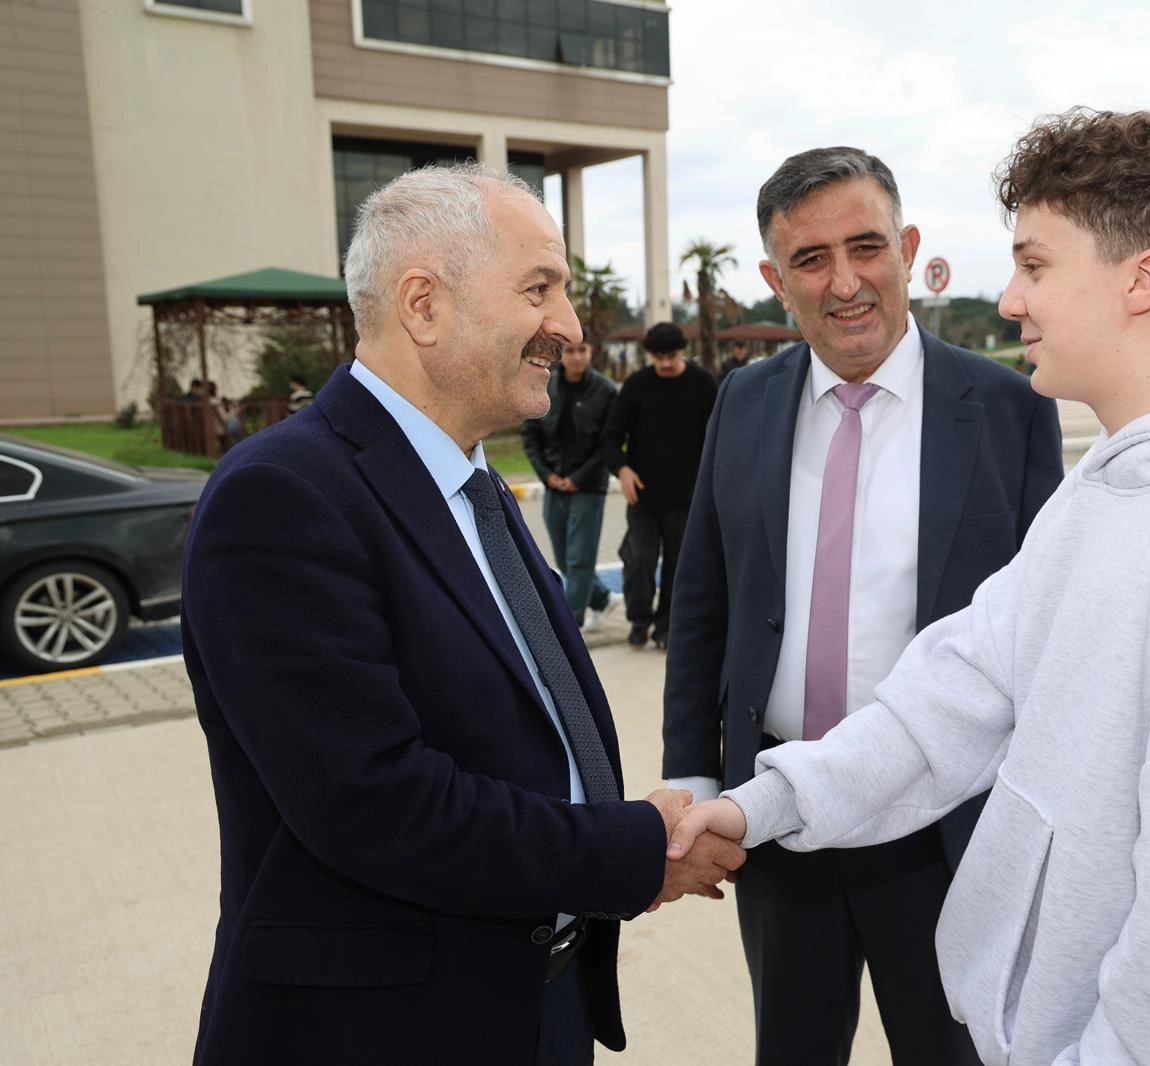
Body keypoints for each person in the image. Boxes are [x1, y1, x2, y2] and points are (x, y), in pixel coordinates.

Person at [673, 110, 1150, 1065]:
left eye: (1035, 266)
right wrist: (761, 804)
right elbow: (954, 695)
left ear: (1142, 280)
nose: (1009, 301)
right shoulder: (1103, 495)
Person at [180, 163, 743, 1066]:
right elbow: (378, 805)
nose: (570, 326)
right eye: (539, 289)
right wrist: (633, 847)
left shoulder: (470, 480)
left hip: (537, 1003)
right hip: (386, 1032)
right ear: (423, 305)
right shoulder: (281, 497)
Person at [663, 146, 1064, 1066]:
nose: (844, 283)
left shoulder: (1007, 410)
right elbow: (703, 602)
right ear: (776, 281)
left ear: (908, 248)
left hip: (944, 826)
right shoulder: (743, 402)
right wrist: (695, 779)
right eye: (811, 260)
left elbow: (1046, 637)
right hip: (776, 817)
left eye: (866, 247)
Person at [602, 321, 718, 650]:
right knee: (640, 558)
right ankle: (639, 620)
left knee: (678, 565)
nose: (665, 363)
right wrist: (622, 469)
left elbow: (720, 434)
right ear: (650, 355)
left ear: (682, 352)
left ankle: (667, 626)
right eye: (658, 357)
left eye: (671, 356)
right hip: (643, 495)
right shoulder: (637, 386)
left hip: (688, 496)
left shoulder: (702, 384)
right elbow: (611, 437)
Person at [521, 340, 621, 630]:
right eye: (571, 351)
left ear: (590, 352)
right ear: (562, 354)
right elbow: (531, 435)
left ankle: (569, 628)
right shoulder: (546, 384)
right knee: (566, 559)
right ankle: (602, 599)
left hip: (588, 487)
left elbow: (607, 443)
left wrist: (578, 479)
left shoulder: (604, 390)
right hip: (554, 485)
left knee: (579, 560)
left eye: (582, 350)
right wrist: (547, 475)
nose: (577, 357)